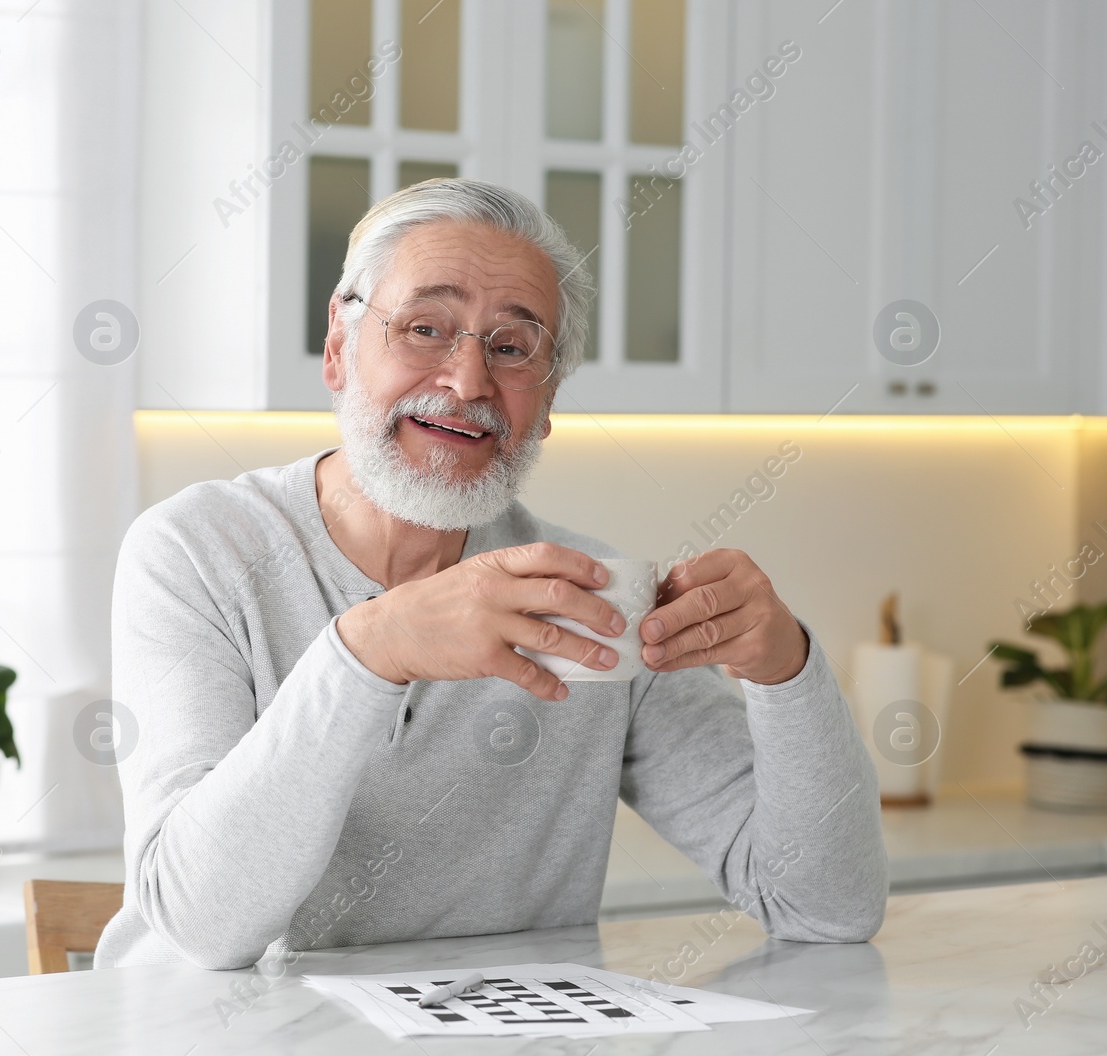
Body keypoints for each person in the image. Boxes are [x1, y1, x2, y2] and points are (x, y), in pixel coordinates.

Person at [93, 178, 886, 970]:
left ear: (546, 401)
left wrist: (786, 670)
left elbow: (826, 907)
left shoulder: (585, 603)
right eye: (426, 328)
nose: (468, 381)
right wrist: (371, 650)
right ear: (339, 346)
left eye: (511, 347)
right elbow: (201, 926)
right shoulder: (196, 552)